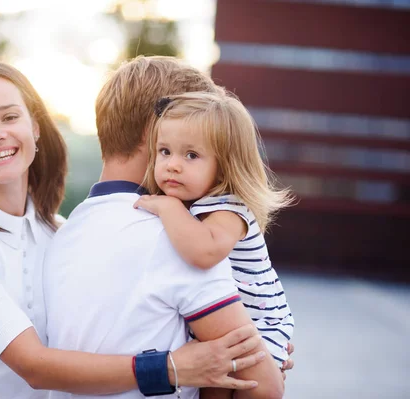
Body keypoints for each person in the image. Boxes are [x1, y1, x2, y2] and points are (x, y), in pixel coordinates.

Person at [0, 61, 266, 399]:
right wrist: (172, 367)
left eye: (9, 117)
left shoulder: (59, 234)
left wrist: (264, 340)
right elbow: (34, 365)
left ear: (35, 127)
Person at [44, 56, 289, 399]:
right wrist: (270, 355)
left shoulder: (64, 235)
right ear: (156, 132)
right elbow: (262, 384)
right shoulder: (173, 237)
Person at [134, 91, 295, 398]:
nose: (172, 165)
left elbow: (204, 253)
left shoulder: (229, 209)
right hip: (221, 331)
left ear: (224, 166)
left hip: (260, 325)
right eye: (165, 151)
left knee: (256, 389)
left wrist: (168, 208)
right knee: (213, 388)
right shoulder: (193, 206)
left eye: (191, 155)